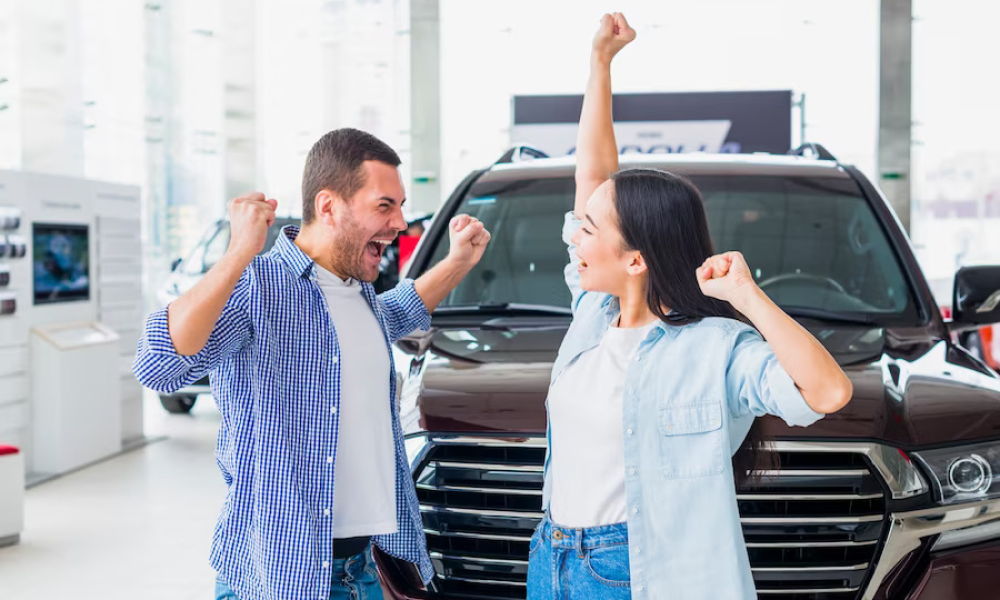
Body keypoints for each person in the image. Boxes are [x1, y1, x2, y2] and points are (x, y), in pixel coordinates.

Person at [525, 14, 853, 600]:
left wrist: (747, 297)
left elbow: (826, 394)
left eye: (589, 229)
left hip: (638, 572)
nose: (574, 234)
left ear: (635, 261)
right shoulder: (591, 318)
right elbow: (596, 177)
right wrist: (600, 63)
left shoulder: (717, 348)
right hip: (553, 561)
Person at [133, 128, 491, 600]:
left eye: (400, 206)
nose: (401, 223)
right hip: (284, 578)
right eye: (385, 205)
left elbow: (399, 310)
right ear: (328, 206)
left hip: (363, 570)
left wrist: (459, 262)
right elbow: (158, 366)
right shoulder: (257, 289)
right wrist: (241, 251)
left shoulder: (357, 290)